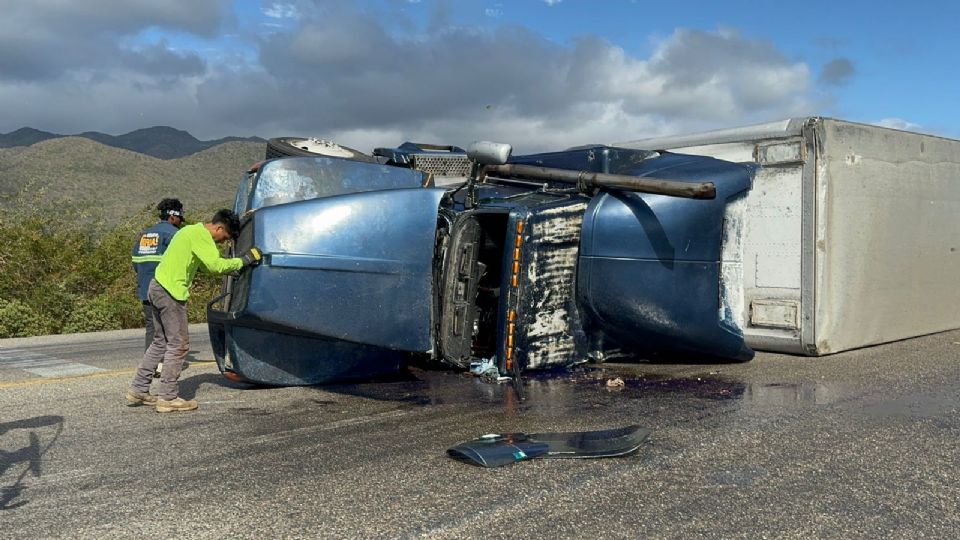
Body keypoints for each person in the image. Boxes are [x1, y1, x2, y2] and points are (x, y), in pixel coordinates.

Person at [126, 209, 262, 413]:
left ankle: (139, 388)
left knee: (160, 341)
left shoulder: (189, 231)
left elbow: (206, 266)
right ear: (218, 228)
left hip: (156, 287)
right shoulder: (203, 236)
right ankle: (168, 397)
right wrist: (245, 260)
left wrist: (232, 267)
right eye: (224, 237)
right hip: (170, 292)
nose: (222, 242)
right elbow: (215, 265)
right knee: (178, 345)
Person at [132, 198, 184, 378]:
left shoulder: (145, 234)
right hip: (165, 288)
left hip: (145, 287)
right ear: (173, 216)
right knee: (171, 329)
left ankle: (151, 365)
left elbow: (136, 261)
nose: (180, 222)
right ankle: (164, 367)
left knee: (152, 328)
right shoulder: (174, 234)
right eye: (180, 217)